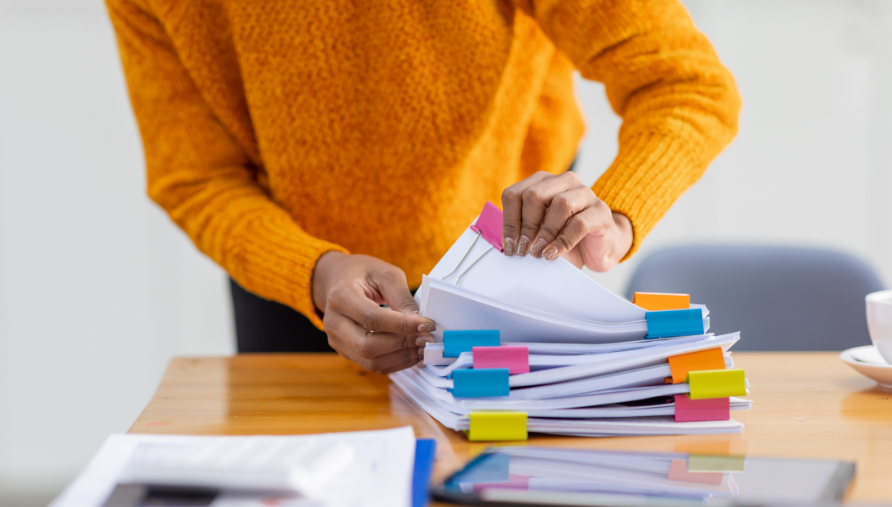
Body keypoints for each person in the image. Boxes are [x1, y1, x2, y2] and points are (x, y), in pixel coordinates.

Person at [106, 0, 740, 373]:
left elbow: (686, 86)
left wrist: (616, 214)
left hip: (512, 259)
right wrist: (315, 273)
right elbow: (197, 178)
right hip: (301, 282)